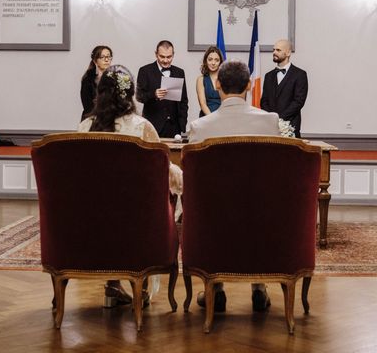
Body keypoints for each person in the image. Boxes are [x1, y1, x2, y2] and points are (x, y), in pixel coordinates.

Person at [78, 64, 183, 306]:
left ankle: (113, 284)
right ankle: (142, 288)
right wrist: (184, 180)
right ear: (129, 93)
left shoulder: (85, 127)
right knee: (148, 205)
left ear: (100, 93)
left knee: (108, 205)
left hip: (93, 218)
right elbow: (162, 170)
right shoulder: (140, 127)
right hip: (135, 219)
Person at [188, 60, 280, 312]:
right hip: (258, 214)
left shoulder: (200, 127)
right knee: (257, 209)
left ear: (217, 85)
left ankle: (215, 288)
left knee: (214, 212)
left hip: (214, 217)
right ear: (249, 86)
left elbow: (193, 180)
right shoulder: (270, 122)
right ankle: (259, 287)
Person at [136, 40, 189, 138]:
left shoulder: (179, 72)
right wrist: (154, 94)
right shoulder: (145, 71)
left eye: (169, 57)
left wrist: (182, 124)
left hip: (174, 127)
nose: (165, 60)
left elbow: (183, 100)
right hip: (152, 125)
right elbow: (139, 96)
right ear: (156, 54)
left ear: (173, 55)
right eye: (162, 56)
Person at [260, 39, 308, 138]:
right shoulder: (268, 76)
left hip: (291, 127)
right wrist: (271, 118)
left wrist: (280, 119)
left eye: (278, 50)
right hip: (270, 127)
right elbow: (264, 101)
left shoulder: (300, 74)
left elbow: (298, 101)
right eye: (273, 50)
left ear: (288, 53)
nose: (274, 52)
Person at [80, 45, 112, 120]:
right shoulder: (88, 79)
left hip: (112, 119)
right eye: (102, 57)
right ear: (95, 61)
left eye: (108, 56)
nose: (106, 60)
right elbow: (87, 106)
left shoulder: (116, 77)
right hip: (92, 119)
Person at [196, 46, 224, 117]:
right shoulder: (201, 79)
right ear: (206, 60)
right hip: (206, 118)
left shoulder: (225, 79)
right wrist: (212, 119)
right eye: (210, 59)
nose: (213, 63)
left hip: (223, 118)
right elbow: (202, 104)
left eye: (216, 60)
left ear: (220, 62)